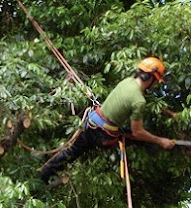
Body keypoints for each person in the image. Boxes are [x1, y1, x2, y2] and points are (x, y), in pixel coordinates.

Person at [40, 56, 175, 184]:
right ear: (151, 78)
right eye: (156, 81)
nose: (156, 85)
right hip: (101, 133)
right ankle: (43, 175)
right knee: (139, 138)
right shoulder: (139, 101)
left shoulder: (127, 81)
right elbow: (138, 132)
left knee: (73, 151)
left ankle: (45, 173)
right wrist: (160, 141)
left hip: (94, 120)